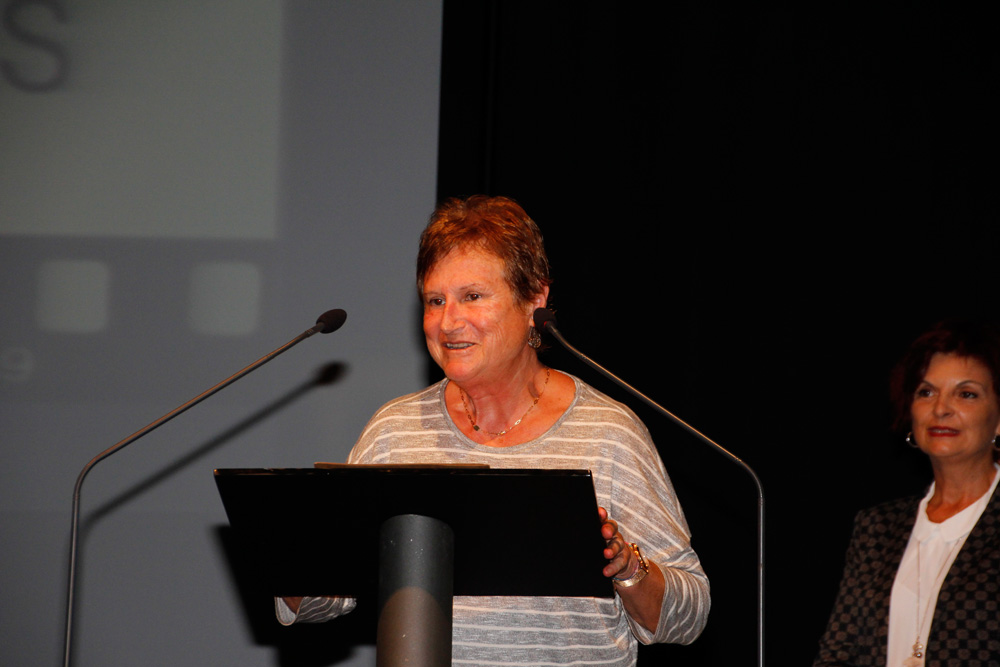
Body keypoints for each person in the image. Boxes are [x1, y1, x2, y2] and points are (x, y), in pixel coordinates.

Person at [277, 195, 709, 664]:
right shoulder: (396, 430)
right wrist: (290, 556)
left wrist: (630, 570)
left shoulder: (607, 432)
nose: (448, 322)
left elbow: (689, 614)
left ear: (534, 300)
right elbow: (334, 592)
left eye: (472, 297)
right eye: (434, 300)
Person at [814, 321, 1000, 667]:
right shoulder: (876, 528)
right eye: (926, 392)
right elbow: (836, 654)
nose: (941, 408)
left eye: (966, 393)